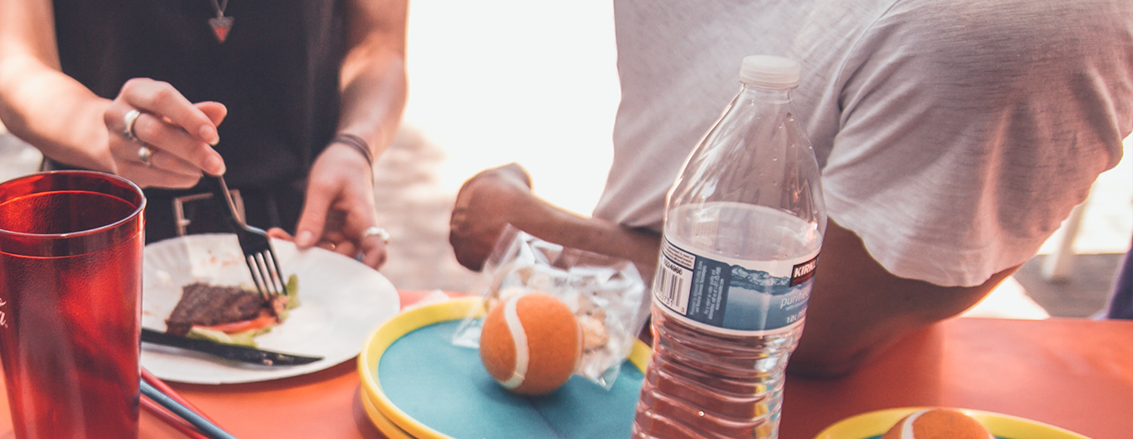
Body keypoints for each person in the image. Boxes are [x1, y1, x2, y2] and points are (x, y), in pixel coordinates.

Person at [448, 0, 1133, 377]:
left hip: (756, 431)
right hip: (620, 352)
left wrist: (545, 239)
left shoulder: (1021, 27)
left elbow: (819, 327)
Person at [0, 0, 406, 267]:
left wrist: (355, 145)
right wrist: (99, 130)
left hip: (301, 236)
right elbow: (16, 62)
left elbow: (379, 48)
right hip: (97, 241)